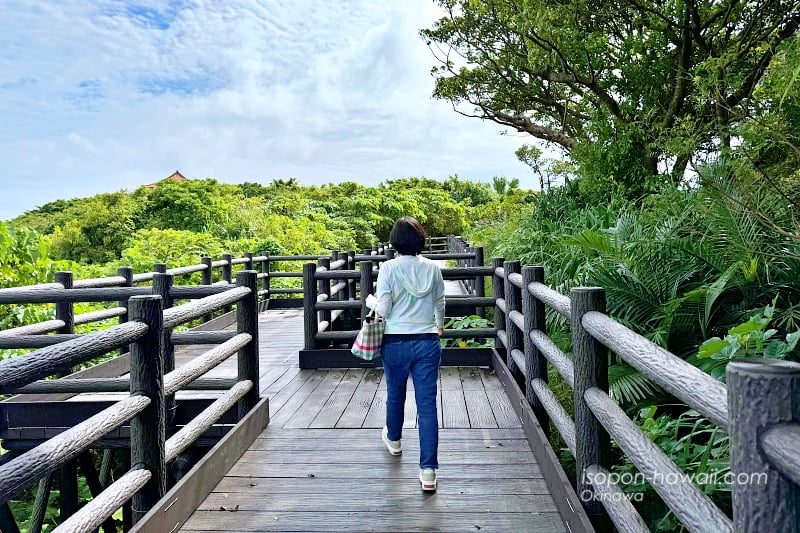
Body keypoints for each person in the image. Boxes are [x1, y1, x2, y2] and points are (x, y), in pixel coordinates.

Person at [372, 216, 445, 492]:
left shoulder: (388, 269)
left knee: (395, 394)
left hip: (395, 342)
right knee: (427, 407)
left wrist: (372, 303)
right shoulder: (433, 269)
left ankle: (394, 441)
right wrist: (438, 326)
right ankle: (428, 472)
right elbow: (440, 301)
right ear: (420, 240)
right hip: (427, 341)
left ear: (394, 242)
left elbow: (384, 309)